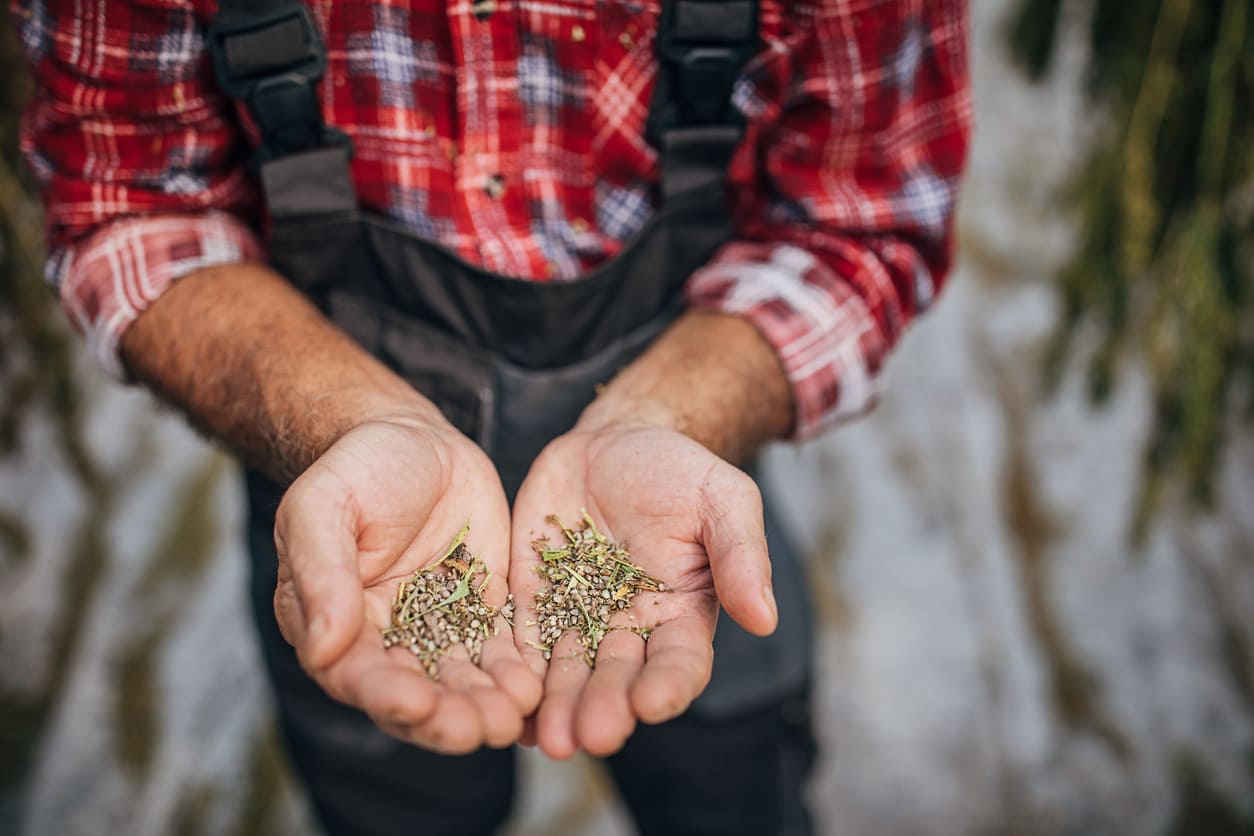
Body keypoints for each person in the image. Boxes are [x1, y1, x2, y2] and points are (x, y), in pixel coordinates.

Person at [15, 0, 971, 833]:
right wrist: (343, 421)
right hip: (359, 542)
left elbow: (863, 221)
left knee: (732, 786)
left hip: (676, 524)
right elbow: (126, 204)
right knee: (391, 788)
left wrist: (672, 415)